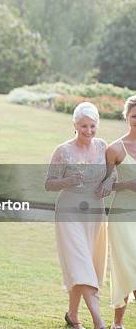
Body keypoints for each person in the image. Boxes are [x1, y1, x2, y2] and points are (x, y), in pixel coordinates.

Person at [45, 102, 109, 329]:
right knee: (81, 265)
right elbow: (49, 184)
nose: (89, 131)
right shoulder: (62, 151)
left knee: (84, 265)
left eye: (92, 126)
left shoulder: (102, 147)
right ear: (75, 125)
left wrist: (107, 184)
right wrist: (68, 181)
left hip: (95, 213)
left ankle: (72, 316)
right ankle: (99, 323)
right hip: (69, 212)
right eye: (84, 126)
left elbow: (112, 175)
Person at [104, 95, 136, 329]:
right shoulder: (115, 148)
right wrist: (127, 184)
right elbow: (102, 186)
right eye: (134, 116)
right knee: (125, 264)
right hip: (122, 215)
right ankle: (118, 323)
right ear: (126, 117)